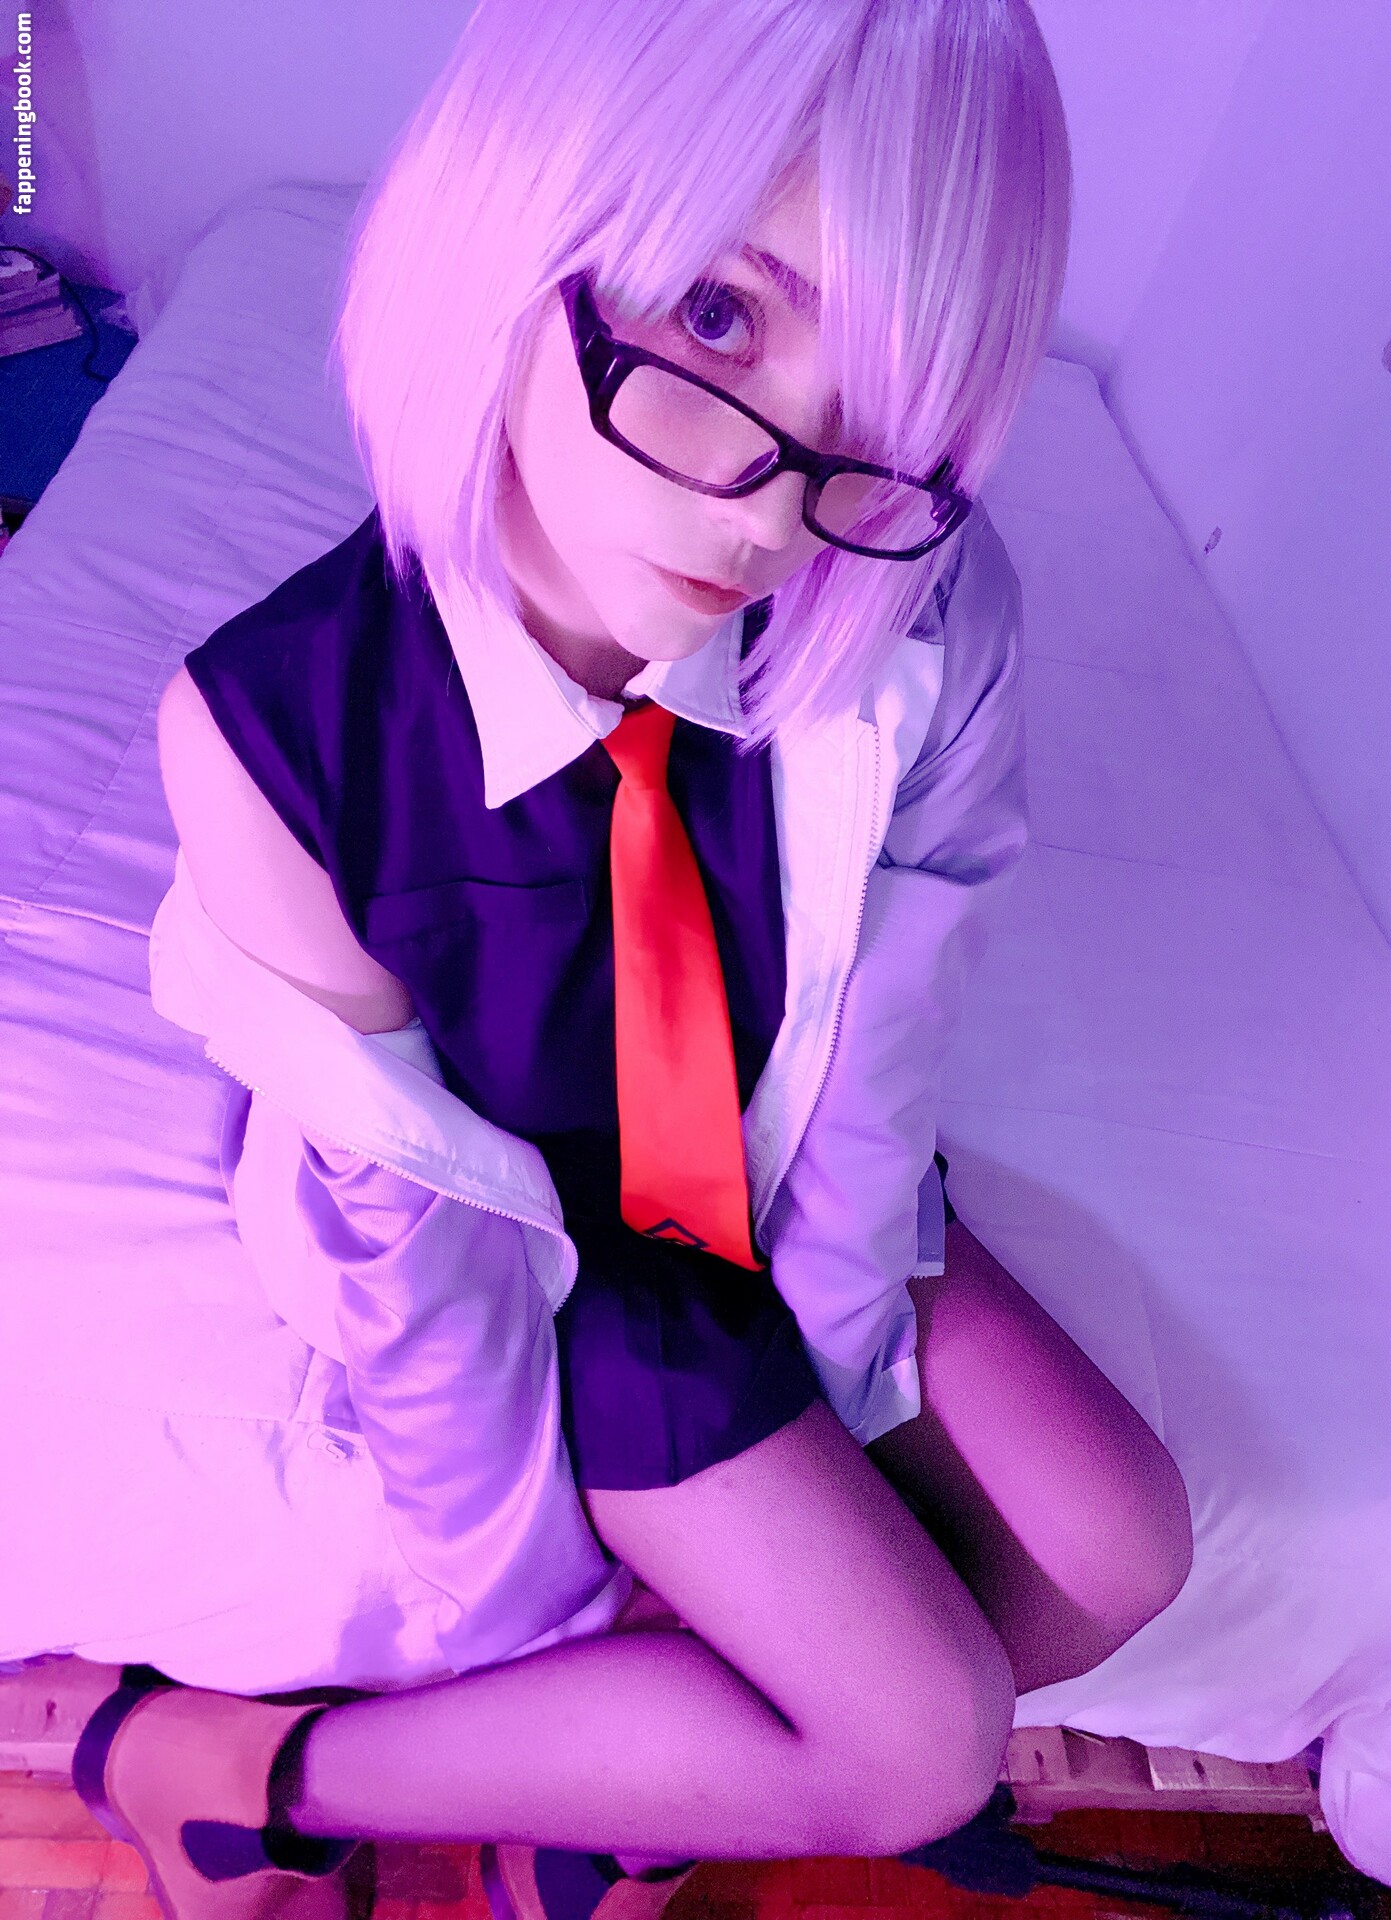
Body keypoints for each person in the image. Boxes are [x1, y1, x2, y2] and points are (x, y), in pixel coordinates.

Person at [70, 2, 1194, 1917]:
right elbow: (415, 1243)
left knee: (1119, 1553)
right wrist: (535, 1618)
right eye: (721, 315)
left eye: (888, 401)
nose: (775, 501)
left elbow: (878, 1051)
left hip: (772, 1163)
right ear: (514, 225)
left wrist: (821, 1400)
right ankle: (243, 1775)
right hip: (536, 1241)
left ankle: (616, 1808)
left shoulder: (918, 598)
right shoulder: (272, 739)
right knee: (921, 1740)